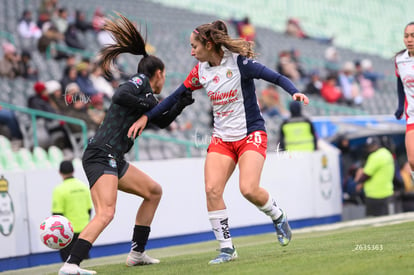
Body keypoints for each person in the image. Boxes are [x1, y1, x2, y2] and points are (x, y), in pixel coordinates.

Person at [129, 20, 309, 265]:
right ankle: (227, 249)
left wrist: (294, 91)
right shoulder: (200, 70)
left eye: (195, 46)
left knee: (248, 189)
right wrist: (146, 117)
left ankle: (278, 216)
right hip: (222, 139)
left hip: (250, 134)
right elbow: (174, 97)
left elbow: (275, 77)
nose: (192, 52)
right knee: (212, 190)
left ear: (209, 44)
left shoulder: (239, 63)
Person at [58, 13, 195, 275]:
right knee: (106, 212)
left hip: (114, 158)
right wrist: (150, 107)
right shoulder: (141, 82)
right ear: (159, 73)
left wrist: (180, 103)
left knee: (154, 192)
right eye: (163, 77)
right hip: (101, 154)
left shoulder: (147, 95)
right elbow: (120, 95)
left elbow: (162, 121)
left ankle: (136, 253)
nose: (163, 82)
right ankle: (71, 265)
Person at [52, 160, 93, 262]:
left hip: (67, 232)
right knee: (84, 260)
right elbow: (89, 210)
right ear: (73, 170)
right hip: (84, 230)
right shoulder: (83, 187)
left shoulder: (59, 190)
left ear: (60, 172)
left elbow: (57, 215)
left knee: (68, 263)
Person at [394, 22, 414, 188]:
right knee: (412, 161)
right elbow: (400, 84)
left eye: (413, 36)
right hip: (412, 115)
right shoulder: (400, 60)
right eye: (406, 36)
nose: (409, 39)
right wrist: (400, 106)